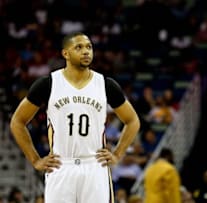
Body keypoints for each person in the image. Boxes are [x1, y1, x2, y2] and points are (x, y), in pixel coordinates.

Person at [9, 32, 140, 203]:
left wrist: (118, 153)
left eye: (89, 47)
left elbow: (133, 121)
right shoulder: (48, 83)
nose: (86, 51)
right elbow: (17, 122)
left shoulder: (106, 84)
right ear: (65, 53)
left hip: (95, 165)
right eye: (79, 47)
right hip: (61, 165)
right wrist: (35, 160)